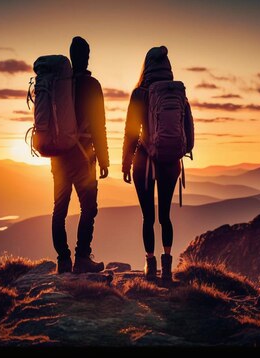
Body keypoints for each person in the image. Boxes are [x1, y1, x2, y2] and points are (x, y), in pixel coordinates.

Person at [122, 46, 193, 281]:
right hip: (171, 162)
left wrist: (125, 163)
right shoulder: (178, 92)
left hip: (144, 161)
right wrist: (177, 150)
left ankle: (150, 266)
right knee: (165, 216)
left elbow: (131, 133)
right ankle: (167, 267)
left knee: (148, 218)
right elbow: (189, 137)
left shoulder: (139, 93)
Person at [51, 36, 109, 274]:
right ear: (86, 57)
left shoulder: (58, 85)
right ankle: (82, 258)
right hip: (84, 157)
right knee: (88, 208)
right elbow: (98, 126)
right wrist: (104, 160)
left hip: (59, 156)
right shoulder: (92, 85)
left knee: (60, 209)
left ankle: (63, 261)